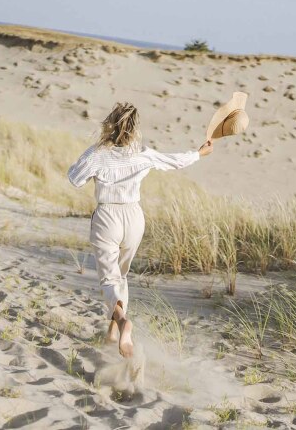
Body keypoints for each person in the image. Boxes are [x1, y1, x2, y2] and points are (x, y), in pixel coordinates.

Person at [67, 102, 213, 358]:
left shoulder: (98, 153)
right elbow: (173, 161)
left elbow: (75, 179)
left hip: (108, 216)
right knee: (121, 276)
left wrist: (91, 157)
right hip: (134, 217)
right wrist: (199, 154)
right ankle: (112, 334)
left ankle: (123, 322)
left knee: (109, 279)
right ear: (134, 129)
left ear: (109, 125)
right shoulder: (142, 153)